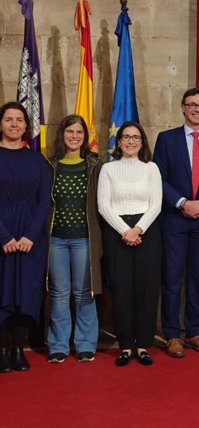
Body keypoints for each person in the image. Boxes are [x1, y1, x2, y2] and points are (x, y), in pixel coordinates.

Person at [153, 88, 199, 358]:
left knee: (198, 277)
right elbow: (158, 178)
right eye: (191, 105)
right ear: (182, 108)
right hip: (175, 219)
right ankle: (172, 334)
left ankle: (194, 332)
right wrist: (183, 203)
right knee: (172, 278)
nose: (196, 109)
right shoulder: (166, 139)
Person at [98, 122, 162, 366]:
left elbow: (156, 204)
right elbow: (104, 205)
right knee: (122, 289)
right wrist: (126, 231)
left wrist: (137, 229)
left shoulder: (151, 168)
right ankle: (125, 345)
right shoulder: (108, 169)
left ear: (142, 142)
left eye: (136, 137)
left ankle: (143, 344)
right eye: (126, 137)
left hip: (147, 231)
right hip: (117, 233)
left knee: (146, 289)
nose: (131, 141)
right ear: (119, 141)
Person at [46, 115, 102, 364]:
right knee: (58, 293)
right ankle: (58, 344)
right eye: (70, 131)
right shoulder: (51, 165)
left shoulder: (94, 165)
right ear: (62, 134)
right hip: (56, 239)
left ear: (85, 136)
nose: (74, 136)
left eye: (79, 132)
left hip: (84, 238)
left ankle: (85, 343)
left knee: (84, 293)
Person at [0, 102, 50, 373]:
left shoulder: (36, 160)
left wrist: (30, 235)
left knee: (23, 291)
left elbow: (44, 201)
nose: (14, 124)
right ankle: (1, 349)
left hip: (30, 237)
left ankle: (18, 349)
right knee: (2, 289)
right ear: (1, 124)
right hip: (2, 234)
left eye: (19, 120)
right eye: (9, 119)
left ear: (26, 127)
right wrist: (4, 236)